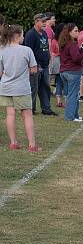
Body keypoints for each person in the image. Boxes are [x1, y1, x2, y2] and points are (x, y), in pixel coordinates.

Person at [0, 24, 41, 152]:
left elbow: (1, 72)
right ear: (17, 36)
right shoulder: (26, 50)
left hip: (6, 87)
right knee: (27, 115)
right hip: (21, 88)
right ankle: (32, 145)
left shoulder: (2, 50)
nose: (23, 37)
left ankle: (13, 143)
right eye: (22, 34)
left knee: (10, 114)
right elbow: (34, 69)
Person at [23, 13, 55, 116]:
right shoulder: (30, 34)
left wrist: (49, 58)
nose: (45, 23)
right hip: (35, 66)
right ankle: (30, 109)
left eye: (46, 21)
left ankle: (46, 109)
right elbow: (28, 51)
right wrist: (32, 66)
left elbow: (45, 47)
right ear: (36, 21)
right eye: (43, 21)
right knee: (33, 88)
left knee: (45, 87)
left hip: (44, 66)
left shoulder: (44, 33)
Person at [58, 24, 83, 122]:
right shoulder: (72, 44)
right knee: (73, 95)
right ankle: (70, 116)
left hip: (64, 72)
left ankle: (75, 115)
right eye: (76, 31)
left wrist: (80, 50)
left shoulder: (64, 43)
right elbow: (76, 58)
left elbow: (71, 55)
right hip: (72, 72)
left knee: (71, 94)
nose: (78, 32)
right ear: (70, 32)